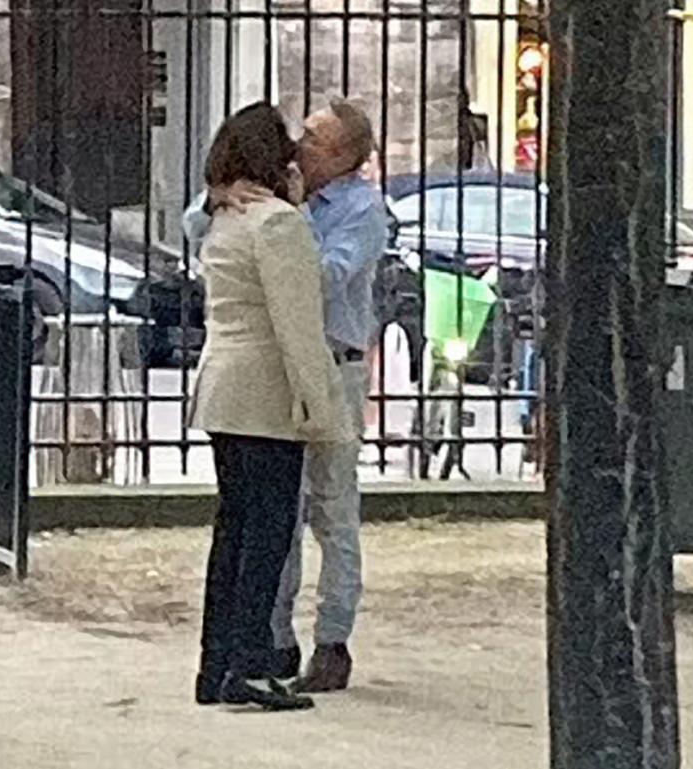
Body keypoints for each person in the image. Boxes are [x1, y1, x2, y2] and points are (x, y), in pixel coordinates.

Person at [184, 97, 387, 693]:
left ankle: (327, 638)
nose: (300, 147)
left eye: (317, 141)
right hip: (277, 380)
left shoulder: (351, 210)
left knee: (329, 509)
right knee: (270, 522)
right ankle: (264, 645)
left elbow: (320, 281)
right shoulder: (266, 215)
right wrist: (238, 199)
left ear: (348, 158)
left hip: (329, 365)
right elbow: (198, 224)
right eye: (298, 137)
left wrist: (283, 218)